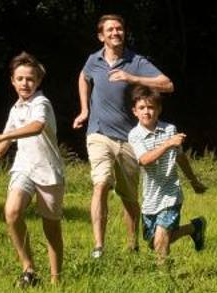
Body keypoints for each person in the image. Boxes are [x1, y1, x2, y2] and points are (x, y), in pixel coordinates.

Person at [73, 14, 173, 258]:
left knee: (129, 197)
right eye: (110, 30)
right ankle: (99, 247)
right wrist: (84, 109)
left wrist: (132, 78)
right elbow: (83, 78)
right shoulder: (93, 60)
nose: (115, 33)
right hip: (98, 133)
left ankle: (132, 245)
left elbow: (168, 84)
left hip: (129, 138)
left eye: (119, 29)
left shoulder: (135, 61)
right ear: (101, 35)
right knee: (101, 183)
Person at [0, 52, 66, 287]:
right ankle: (29, 269)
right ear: (12, 81)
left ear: (39, 81)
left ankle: (56, 279)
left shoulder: (41, 103)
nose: (25, 83)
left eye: (30, 79)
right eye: (20, 79)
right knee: (12, 212)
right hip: (23, 167)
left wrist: (2, 135)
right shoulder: (15, 109)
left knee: (50, 226)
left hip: (49, 171)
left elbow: (36, 127)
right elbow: (4, 144)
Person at [127, 85, 206, 259]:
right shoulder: (134, 135)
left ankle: (163, 279)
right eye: (142, 108)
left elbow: (180, 157)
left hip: (170, 194)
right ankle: (195, 227)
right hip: (150, 197)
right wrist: (168, 144)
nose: (147, 112)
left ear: (159, 109)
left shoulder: (170, 129)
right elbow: (144, 160)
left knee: (160, 243)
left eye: (151, 107)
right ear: (134, 111)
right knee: (153, 241)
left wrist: (194, 181)